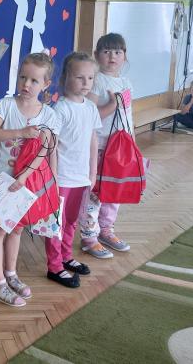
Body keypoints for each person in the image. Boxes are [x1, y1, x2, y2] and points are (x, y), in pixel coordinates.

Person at [0, 52, 58, 306]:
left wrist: (32, 177)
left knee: (16, 229)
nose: (26, 84)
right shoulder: (5, 105)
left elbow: (46, 151)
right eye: (23, 77)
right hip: (2, 178)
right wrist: (21, 132)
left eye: (34, 80)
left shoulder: (49, 115)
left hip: (27, 182)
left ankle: (11, 274)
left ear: (46, 84)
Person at [45, 52, 101, 288]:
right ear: (65, 78)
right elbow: (52, 145)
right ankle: (54, 265)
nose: (86, 83)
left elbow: (93, 140)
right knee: (56, 223)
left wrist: (92, 172)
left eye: (90, 78)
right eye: (80, 77)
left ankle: (66, 256)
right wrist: (54, 176)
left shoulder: (91, 108)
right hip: (62, 178)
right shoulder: (60, 109)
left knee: (71, 220)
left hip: (81, 177)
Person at [81, 33, 133, 259]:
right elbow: (90, 116)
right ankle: (89, 236)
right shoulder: (97, 80)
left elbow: (128, 115)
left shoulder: (126, 82)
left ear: (124, 56)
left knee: (114, 191)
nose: (112, 56)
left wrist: (131, 141)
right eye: (107, 51)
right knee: (95, 193)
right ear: (96, 55)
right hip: (100, 146)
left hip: (120, 148)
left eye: (118, 52)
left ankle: (106, 229)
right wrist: (111, 105)